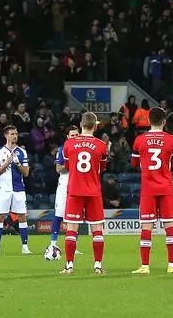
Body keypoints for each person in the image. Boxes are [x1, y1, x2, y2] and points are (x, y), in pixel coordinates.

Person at [130, 106, 173, 274]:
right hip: (166, 187)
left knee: (146, 227)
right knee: (170, 226)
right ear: (164, 122)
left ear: (148, 121)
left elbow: (133, 164)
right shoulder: (172, 140)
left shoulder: (139, 140)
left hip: (148, 188)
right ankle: (171, 265)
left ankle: (145, 266)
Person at [61, 111, 108, 275]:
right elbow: (102, 168)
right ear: (95, 126)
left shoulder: (69, 144)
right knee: (97, 229)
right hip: (93, 190)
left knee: (71, 229)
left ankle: (69, 266)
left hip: (75, 190)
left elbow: (67, 166)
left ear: (81, 125)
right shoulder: (101, 145)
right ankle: (97, 265)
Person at [0, 124, 31, 254]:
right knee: (0, 216)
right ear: (6, 135)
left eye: (16, 134)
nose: (15, 136)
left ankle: (25, 247)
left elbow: (26, 173)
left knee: (22, 216)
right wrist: (7, 163)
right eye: (12, 134)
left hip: (19, 189)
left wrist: (18, 163)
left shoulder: (22, 152)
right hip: (4, 189)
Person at [46, 125, 80, 260]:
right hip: (65, 184)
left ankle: (74, 246)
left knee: (75, 216)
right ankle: (53, 244)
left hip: (78, 184)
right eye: (72, 135)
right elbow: (58, 169)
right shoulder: (62, 149)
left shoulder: (83, 149)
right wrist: (71, 163)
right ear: (68, 137)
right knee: (59, 215)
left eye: (77, 135)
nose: (75, 138)